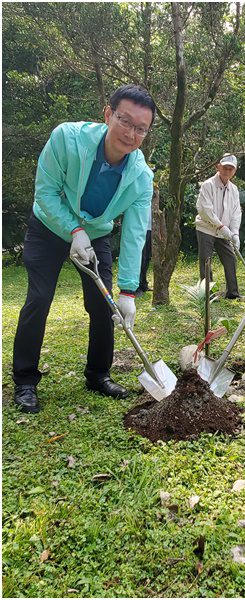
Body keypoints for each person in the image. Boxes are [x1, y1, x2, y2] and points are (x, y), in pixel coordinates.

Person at [11, 84, 156, 414]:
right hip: (48, 226)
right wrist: (73, 231)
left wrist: (129, 292)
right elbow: (45, 194)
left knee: (102, 304)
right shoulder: (66, 139)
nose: (131, 133)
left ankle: (98, 374)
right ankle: (25, 381)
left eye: (141, 129)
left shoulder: (141, 178)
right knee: (39, 297)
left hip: (96, 234)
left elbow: (135, 235)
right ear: (108, 114)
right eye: (125, 121)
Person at [195, 154, 243, 299]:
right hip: (206, 228)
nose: (227, 171)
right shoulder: (208, 185)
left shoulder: (233, 189)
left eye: (231, 169)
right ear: (218, 167)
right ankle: (208, 294)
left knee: (230, 259)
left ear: (234, 171)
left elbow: (236, 212)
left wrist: (235, 233)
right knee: (206, 261)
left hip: (225, 231)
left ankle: (233, 293)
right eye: (225, 167)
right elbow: (205, 210)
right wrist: (221, 226)